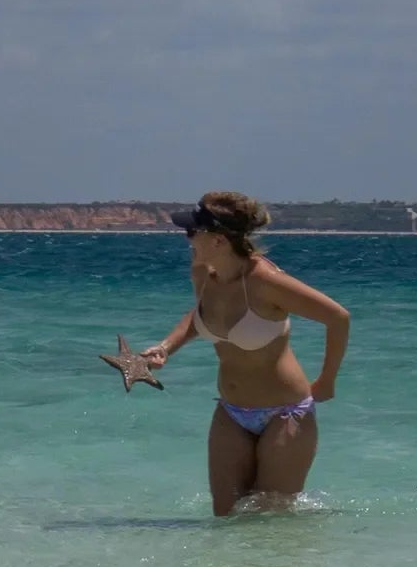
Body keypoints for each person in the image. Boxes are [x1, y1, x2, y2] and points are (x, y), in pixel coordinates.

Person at [138, 191, 350, 516]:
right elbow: (201, 316)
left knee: (270, 520)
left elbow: (337, 317)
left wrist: (328, 381)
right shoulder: (204, 275)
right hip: (231, 412)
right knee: (224, 517)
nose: (187, 239)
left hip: (285, 414)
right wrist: (167, 347)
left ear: (220, 240)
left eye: (192, 232)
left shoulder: (267, 282)